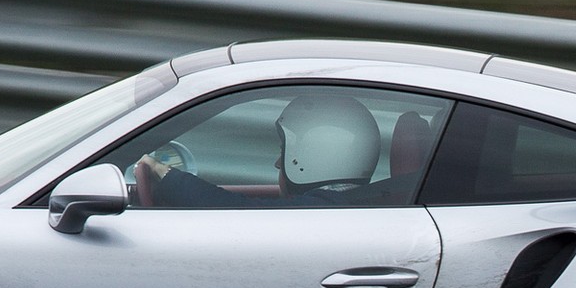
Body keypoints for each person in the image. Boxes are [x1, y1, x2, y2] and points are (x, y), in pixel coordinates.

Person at [135, 92, 410, 208]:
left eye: (284, 149)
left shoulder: (323, 210)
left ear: (314, 154)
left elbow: (236, 211)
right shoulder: (348, 203)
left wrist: (163, 173)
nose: (278, 163)